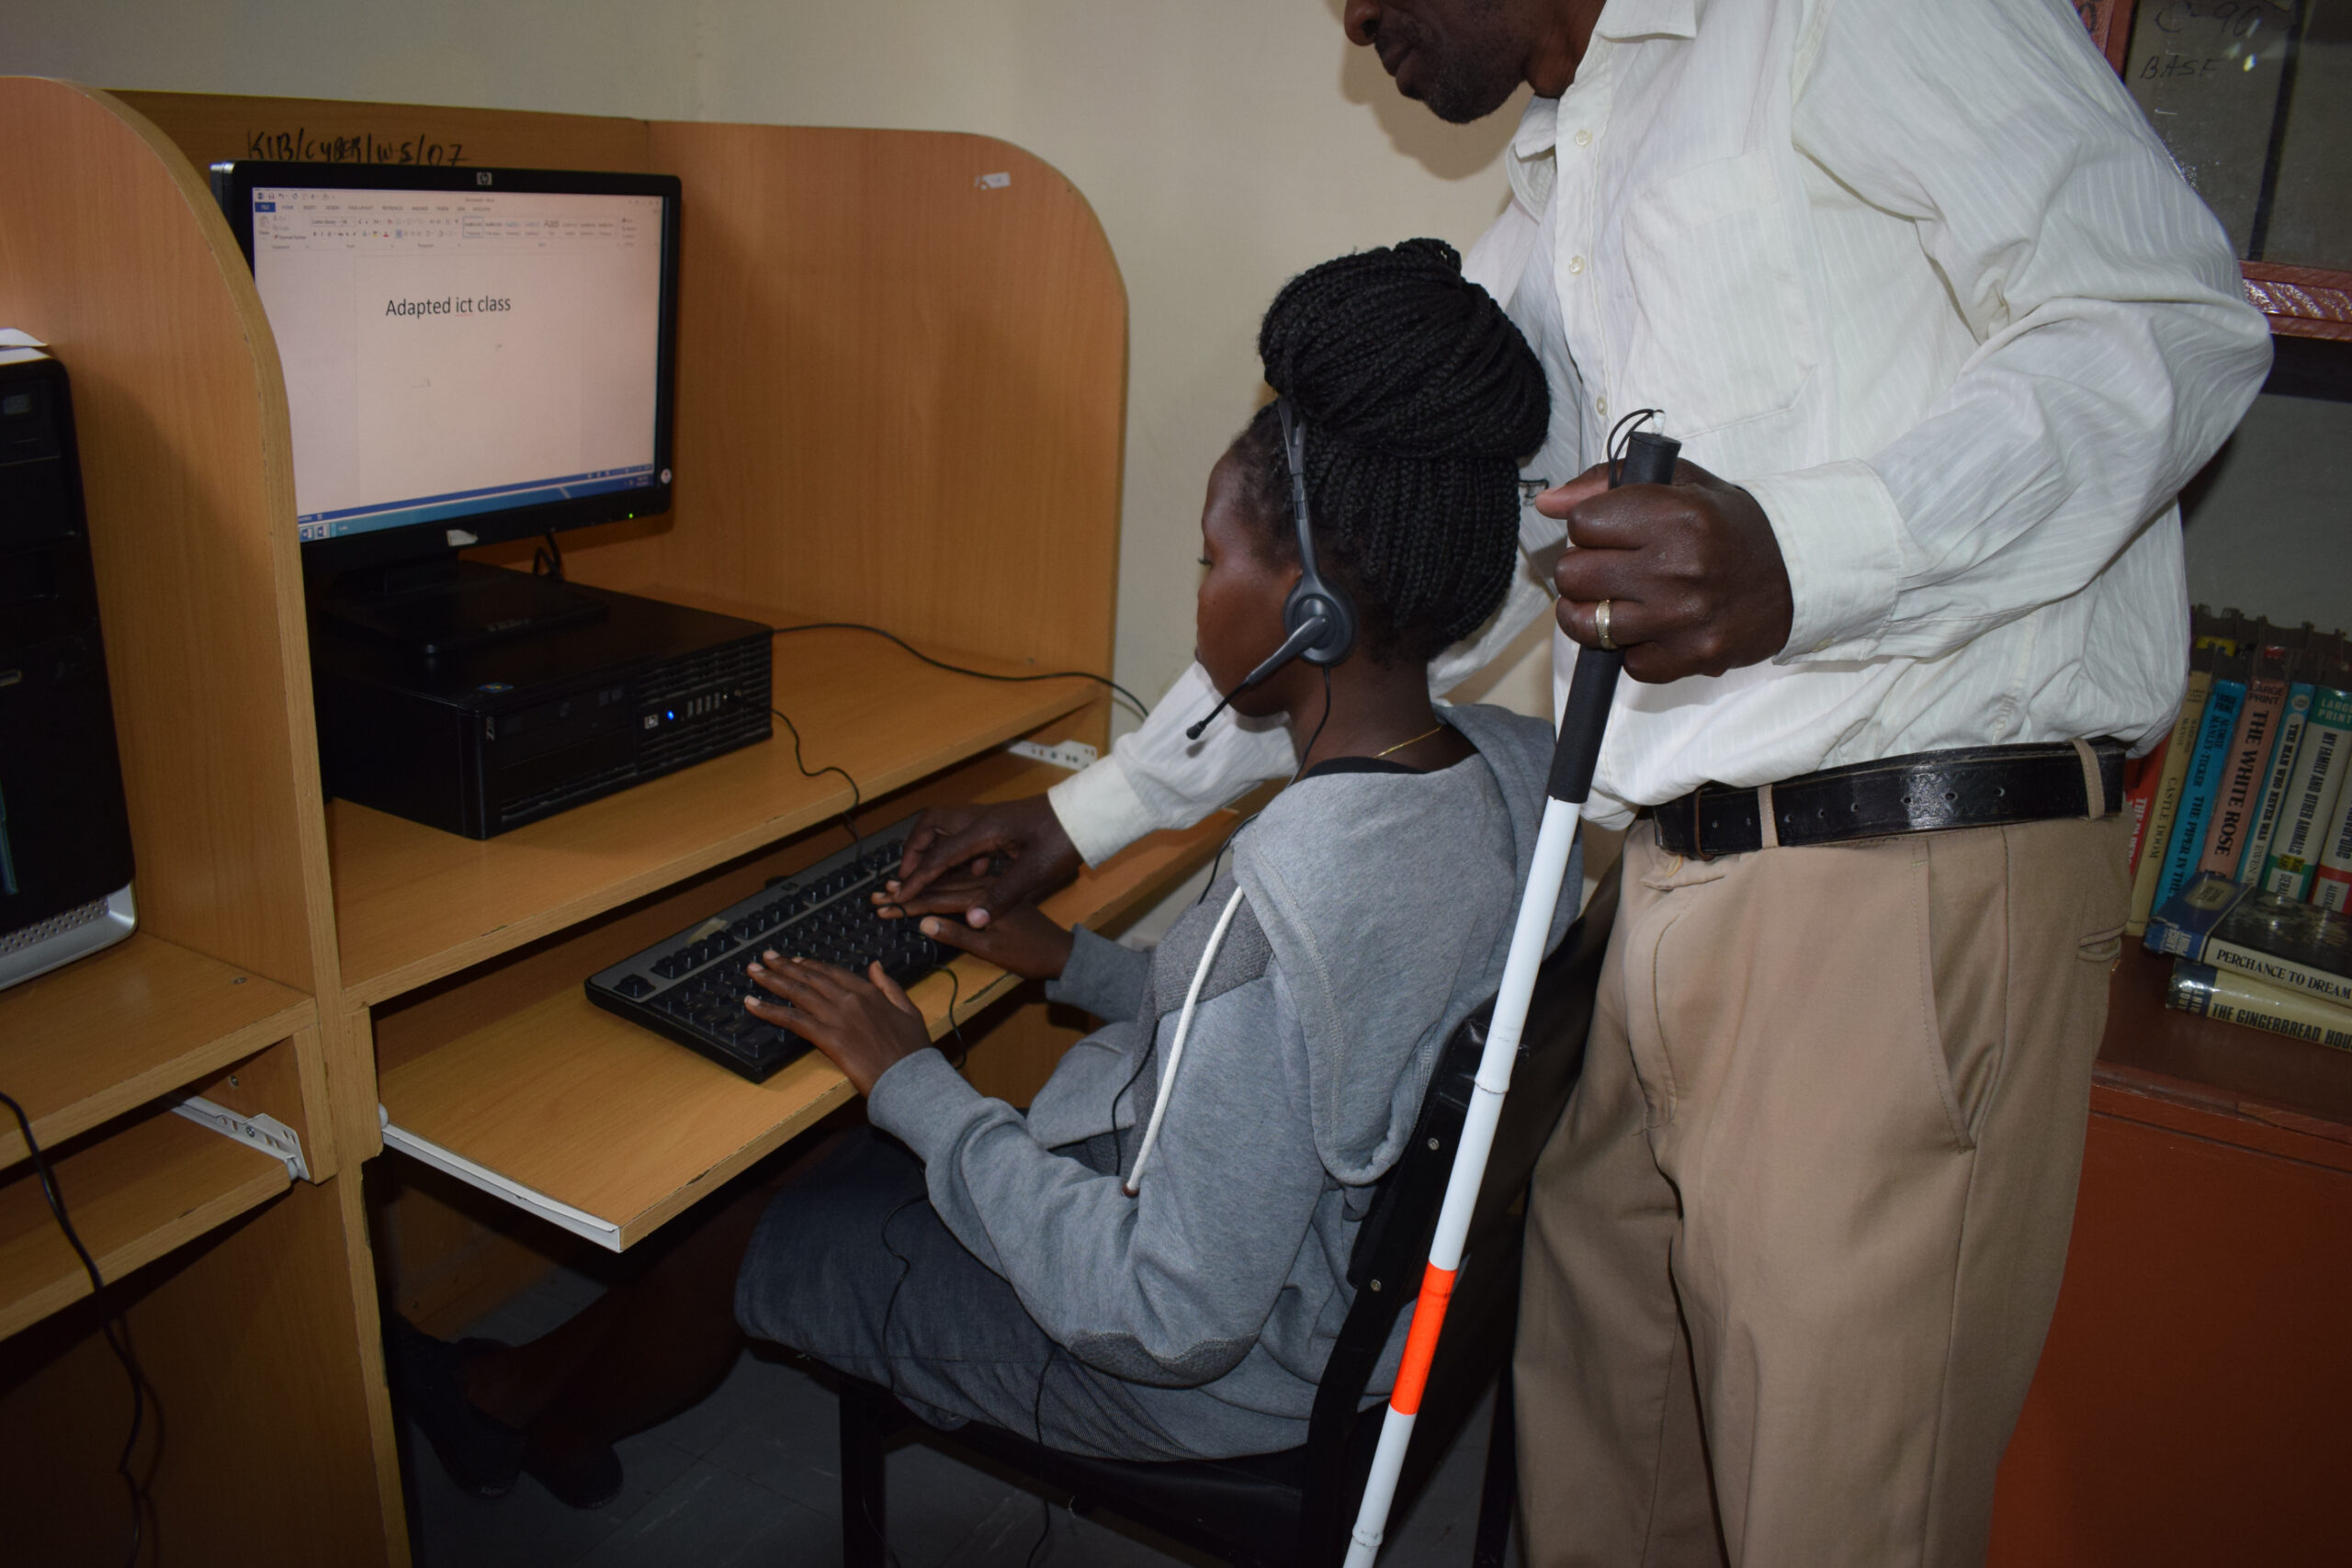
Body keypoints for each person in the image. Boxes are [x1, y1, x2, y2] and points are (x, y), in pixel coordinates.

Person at [879, 3, 2275, 1563]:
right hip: (1666, 880)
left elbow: (2165, 318)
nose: (1352, 17)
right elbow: (1373, 583)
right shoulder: (1564, 184)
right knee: (1607, 1476)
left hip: (1896, 876)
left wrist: (1810, 556)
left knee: (1832, 1511)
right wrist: (1086, 817)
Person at [389, 238, 1573, 1504]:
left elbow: (1168, 1312)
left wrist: (913, 1083)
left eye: (1210, 563)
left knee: (737, 1210)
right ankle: (537, 1408)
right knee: (840, 1115)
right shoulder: (1500, 776)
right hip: (1337, 1309)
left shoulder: (1295, 882)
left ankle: (512, 1404)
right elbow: (1309, 1045)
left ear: (1309, 613)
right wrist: (1075, 961)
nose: (1198, 602)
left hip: (1189, 1369)